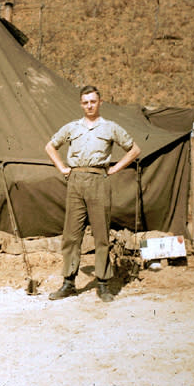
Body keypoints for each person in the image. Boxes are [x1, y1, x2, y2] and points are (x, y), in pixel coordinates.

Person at [45, 85, 141, 302]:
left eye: (93, 101)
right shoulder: (72, 128)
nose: (89, 105)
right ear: (81, 104)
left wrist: (115, 169)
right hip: (76, 180)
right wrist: (62, 168)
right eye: (85, 102)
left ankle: (103, 284)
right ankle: (68, 283)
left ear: (100, 103)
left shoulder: (110, 128)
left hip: (99, 180)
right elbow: (50, 146)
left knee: (101, 234)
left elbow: (134, 150)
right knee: (71, 234)